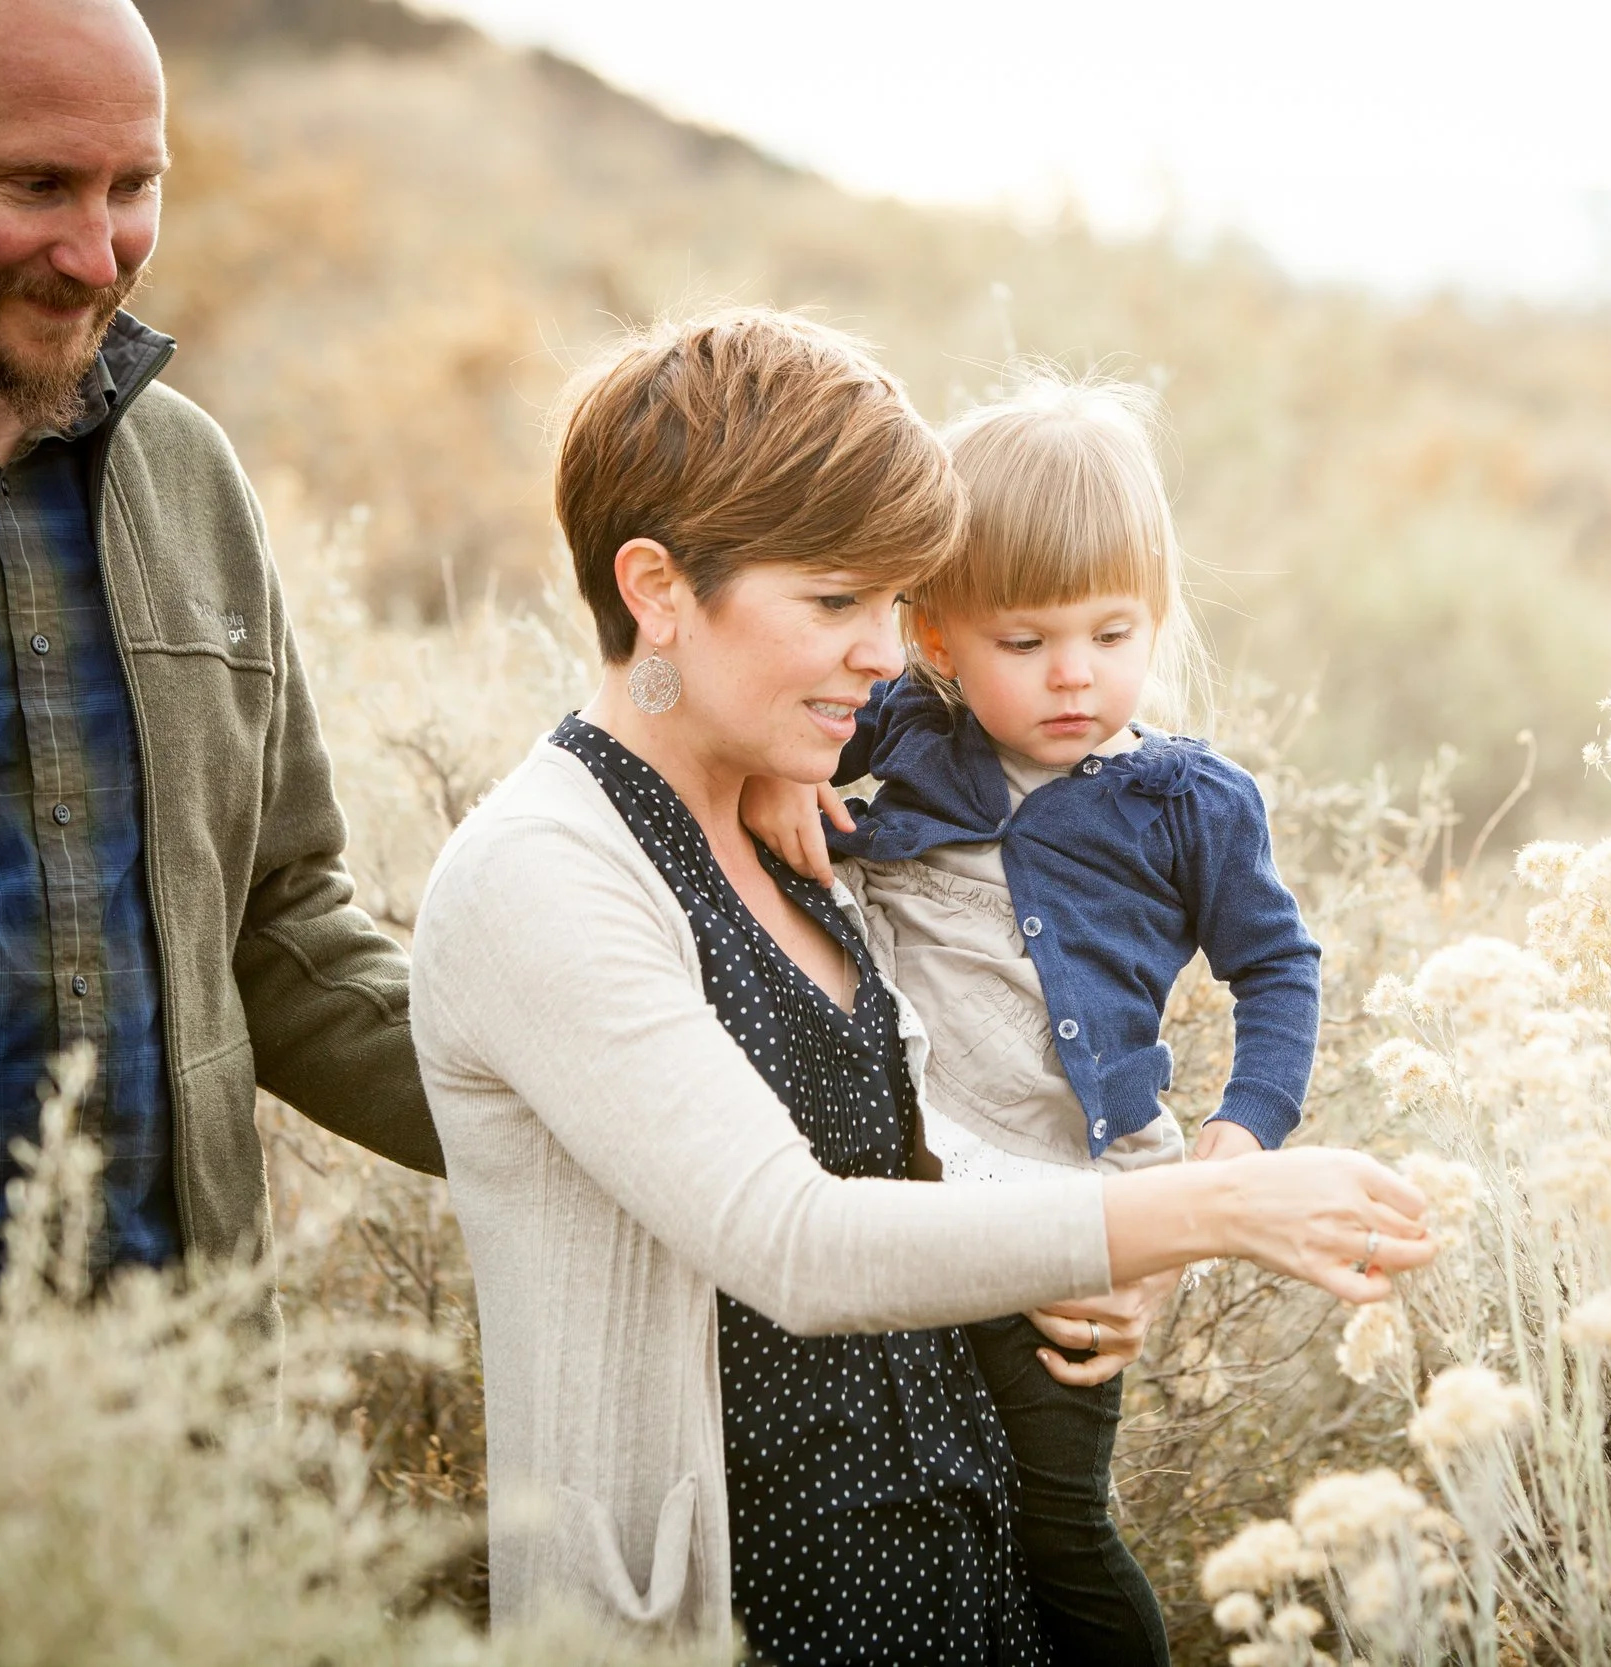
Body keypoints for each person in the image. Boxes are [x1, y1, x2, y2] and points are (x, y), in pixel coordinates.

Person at [411, 310, 1432, 1662]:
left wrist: (1113, 1242)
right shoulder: (543, 871)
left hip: (954, 1574)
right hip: (731, 1615)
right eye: (837, 602)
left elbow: (942, 1148)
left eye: (896, 603)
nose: (888, 653)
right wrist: (1206, 1207)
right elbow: (795, 1239)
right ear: (655, 586)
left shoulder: (820, 821)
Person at [0, 0, 441, 1373]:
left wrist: (609, 1105)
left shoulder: (191, 478)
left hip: (176, 1421)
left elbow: (283, 925)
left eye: (136, 189)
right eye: (37, 187)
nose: (97, 255)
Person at [738, 372, 1310, 1666]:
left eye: (1114, 634)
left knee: (1055, 1528)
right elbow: (780, 714)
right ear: (935, 634)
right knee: (926, 1507)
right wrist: (788, 768)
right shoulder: (908, 726)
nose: (1073, 676)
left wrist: (1237, 1150)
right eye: (1027, 640)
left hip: (1079, 1217)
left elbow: (1279, 973)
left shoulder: (1186, 801)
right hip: (902, 1188)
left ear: (1157, 619)